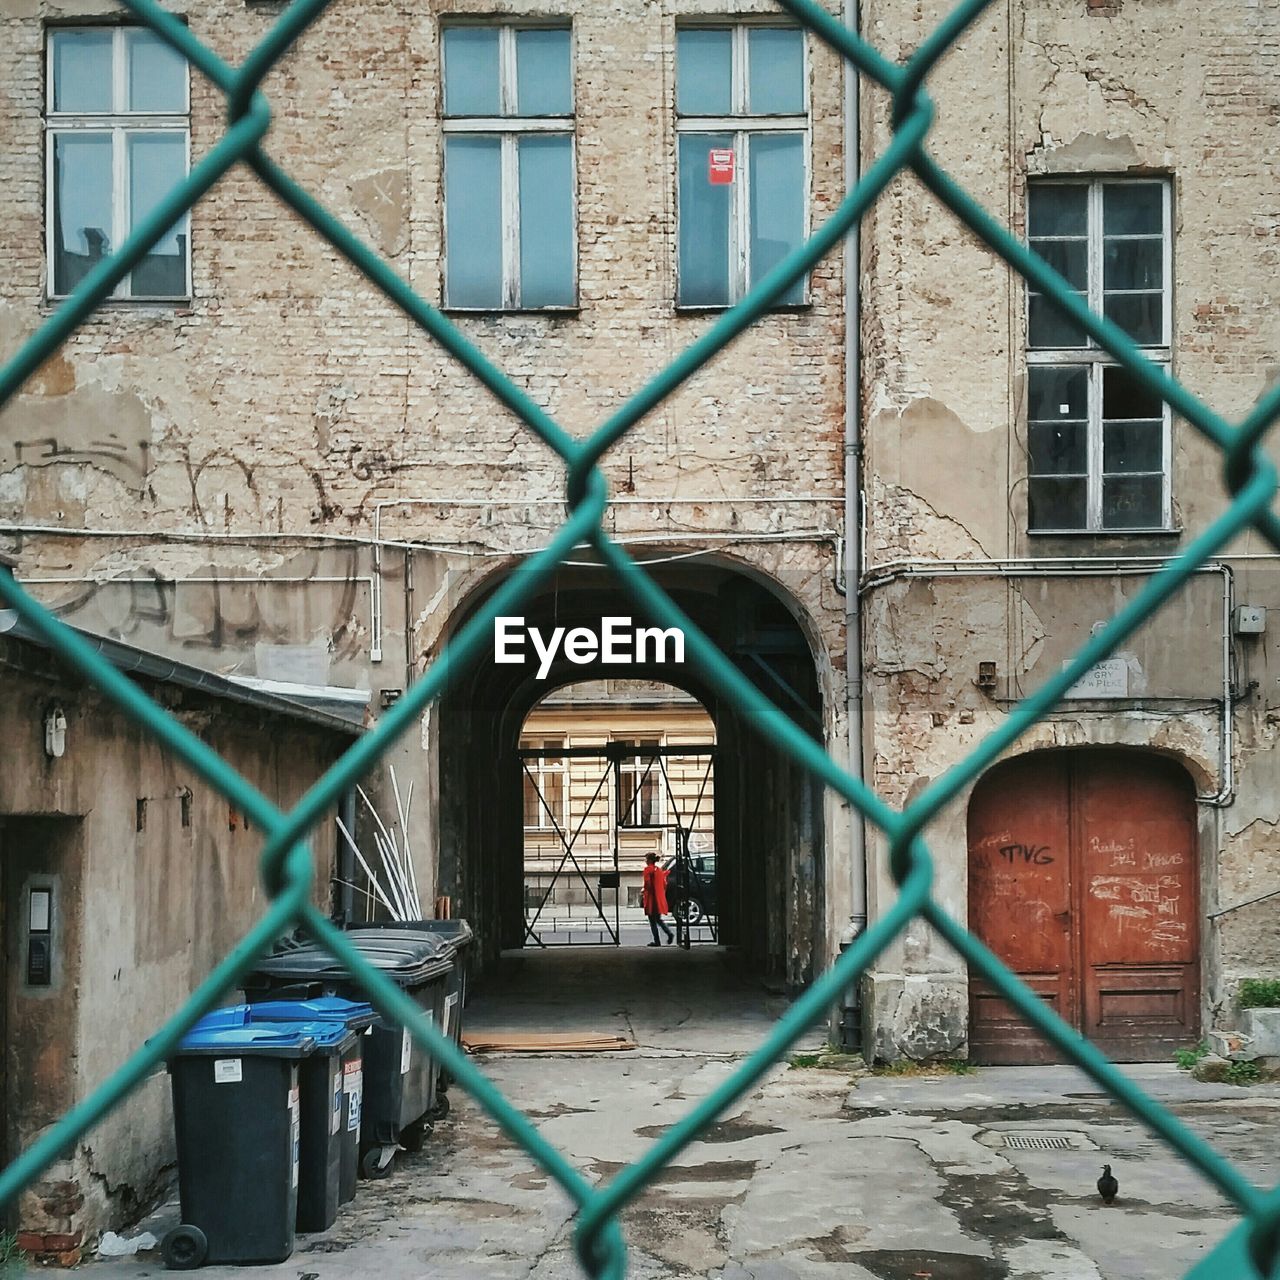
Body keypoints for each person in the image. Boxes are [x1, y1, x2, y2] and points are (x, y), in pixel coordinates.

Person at [641, 852, 674, 946]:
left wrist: (644, 890)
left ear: (650, 860)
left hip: (651, 898)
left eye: (646, 859)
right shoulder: (658, 870)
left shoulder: (648, 870)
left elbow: (647, 883)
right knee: (658, 919)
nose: (645, 861)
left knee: (652, 921)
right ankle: (668, 933)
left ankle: (657, 941)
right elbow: (664, 884)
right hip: (658, 898)